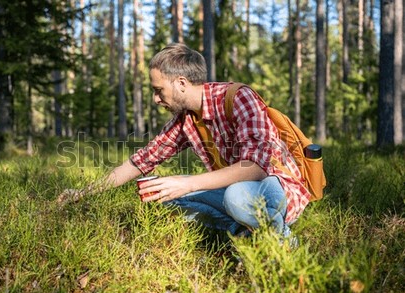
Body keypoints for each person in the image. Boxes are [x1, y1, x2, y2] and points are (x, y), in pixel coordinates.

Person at [58, 43, 311, 240]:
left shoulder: (239, 98)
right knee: (161, 197)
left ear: (180, 83)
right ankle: (243, 231)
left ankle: (281, 242)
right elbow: (141, 161)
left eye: (159, 90)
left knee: (235, 196)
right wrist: (82, 193)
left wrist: (187, 183)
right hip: (236, 193)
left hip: (276, 189)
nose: (156, 99)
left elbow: (255, 168)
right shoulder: (186, 120)